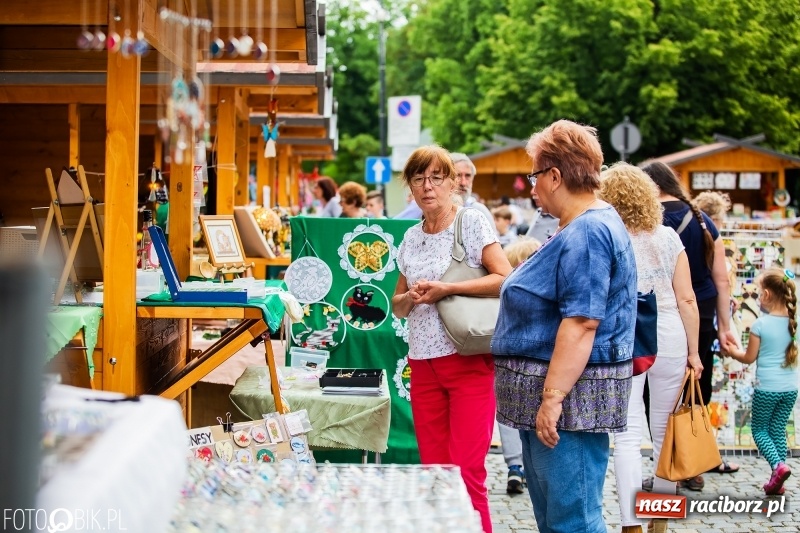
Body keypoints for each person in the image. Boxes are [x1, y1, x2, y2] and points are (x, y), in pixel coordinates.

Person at [493, 120, 637, 533]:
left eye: (534, 175)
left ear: (555, 176)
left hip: (570, 405)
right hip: (556, 400)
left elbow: (581, 322)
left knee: (573, 520)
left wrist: (552, 399)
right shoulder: (579, 226)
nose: (532, 186)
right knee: (559, 519)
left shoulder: (589, 230)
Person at [392, 145, 512, 533]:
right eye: (419, 179)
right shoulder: (410, 237)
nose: (428, 187)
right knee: (436, 471)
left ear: (451, 182)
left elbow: (503, 279)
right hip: (422, 363)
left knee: (467, 470)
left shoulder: (471, 222)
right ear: (409, 187)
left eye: (436, 178)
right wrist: (409, 298)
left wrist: (445, 289)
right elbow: (395, 305)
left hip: (467, 359)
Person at [599, 163, 703, 533]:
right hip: (672, 335)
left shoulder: (609, 238)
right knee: (665, 432)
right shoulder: (668, 237)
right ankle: (660, 517)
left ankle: (630, 524)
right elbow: (687, 299)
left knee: (626, 435)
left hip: (627, 336)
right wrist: (694, 352)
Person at [641, 161, 741, 489]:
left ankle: (667, 466)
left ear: (651, 186)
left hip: (662, 314)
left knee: (656, 397)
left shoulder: (651, 221)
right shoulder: (702, 219)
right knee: (696, 387)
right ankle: (690, 461)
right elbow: (722, 278)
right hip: (705, 311)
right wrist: (725, 325)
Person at [724, 268, 798, 496]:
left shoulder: (760, 325)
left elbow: (748, 357)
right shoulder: (793, 322)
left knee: (759, 430)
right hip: (791, 388)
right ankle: (778, 481)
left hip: (767, 388)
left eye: (757, 292)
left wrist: (732, 350)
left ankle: (778, 467)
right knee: (777, 430)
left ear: (766, 294)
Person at [496, 237, 541, 495]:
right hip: (538, 366)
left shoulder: (506, 292)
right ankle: (529, 466)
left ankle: (515, 466)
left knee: (508, 416)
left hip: (508, 363)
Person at [450, 152, 496, 230]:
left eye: (468, 176)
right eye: (458, 175)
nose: (463, 183)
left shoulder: (480, 212)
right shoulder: (429, 210)